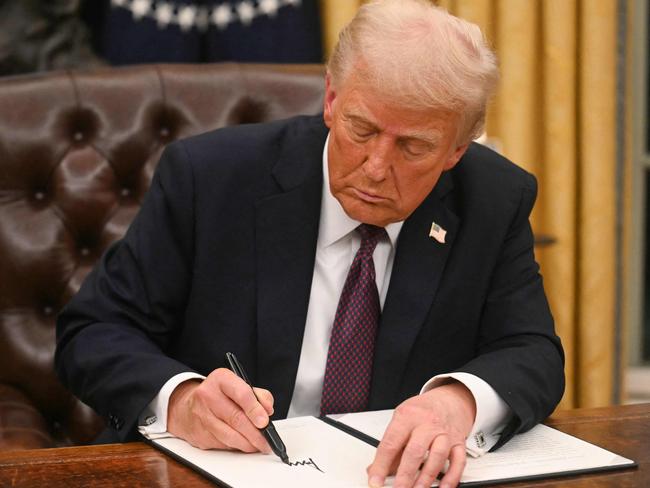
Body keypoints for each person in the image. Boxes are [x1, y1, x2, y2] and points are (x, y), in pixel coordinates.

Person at [55, 1, 565, 487]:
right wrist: (182, 399)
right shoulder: (210, 179)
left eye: (414, 146)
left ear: (458, 148)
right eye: (361, 129)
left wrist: (457, 403)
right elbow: (93, 331)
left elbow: (531, 350)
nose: (377, 167)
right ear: (330, 99)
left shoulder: (492, 199)